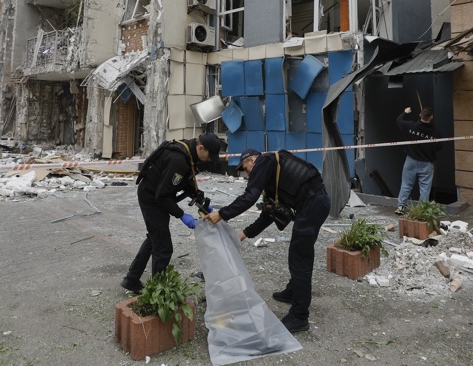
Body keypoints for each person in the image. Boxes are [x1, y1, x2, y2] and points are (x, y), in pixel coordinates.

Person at [203, 148, 330, 334]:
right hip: (314, 204)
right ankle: (294, 291)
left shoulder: (265, 162)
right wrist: (243, 234)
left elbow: (249, 196)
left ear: (252, 160)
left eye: (245, 166)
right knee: (300, 251)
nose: (246, 172)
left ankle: (300, 316)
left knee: (299, 257)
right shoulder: (272, 176)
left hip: (313, 203)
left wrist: (222, 214)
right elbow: (269, 215)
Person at [121, 132, 223, 294]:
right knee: (163, 248)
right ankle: (158, 294)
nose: (210, 159)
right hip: (151, 198)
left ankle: (131, 279)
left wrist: (201, 201)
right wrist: (182, 215)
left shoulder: (189, 153)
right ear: (201, 147)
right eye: (210, 155)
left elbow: (186, 182)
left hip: (156, 194)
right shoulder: (178, 160)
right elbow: (162, 196)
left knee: (155, 237)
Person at [395, 106, 443, 215]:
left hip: (410, 161)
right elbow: (439, 147)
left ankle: (401, 207)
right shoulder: (436, 132)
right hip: (426, 163)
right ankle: (422, 210)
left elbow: (399, 121)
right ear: (431, 117)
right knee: (425, 188)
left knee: (406, 185)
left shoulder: (411, 126)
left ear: (420, 115)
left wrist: (405, 112)